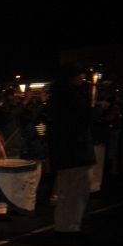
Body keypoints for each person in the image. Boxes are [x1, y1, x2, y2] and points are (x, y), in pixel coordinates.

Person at [46, 62, 95, 233]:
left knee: (69, 192)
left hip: (67, 153)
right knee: (74, 192)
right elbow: (84, 118)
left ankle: (66, 225)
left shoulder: (59, 95)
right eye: (80, 75)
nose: (83, 78)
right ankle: (69, 227)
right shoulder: (68, 96)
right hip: (74, 152)